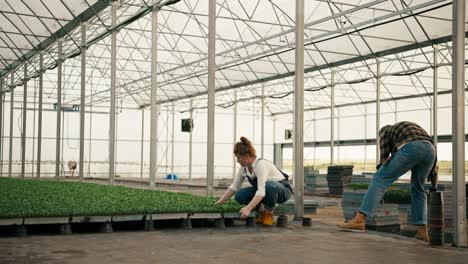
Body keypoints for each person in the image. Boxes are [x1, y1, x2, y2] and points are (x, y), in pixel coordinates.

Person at [337, 121, 437, 241]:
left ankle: (359, 220)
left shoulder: (385, 132)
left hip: (412, 147)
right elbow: (431, 164)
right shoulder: (407, 130)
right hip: (431, 150)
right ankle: (422, 232)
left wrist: (381, 172)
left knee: (379, 179)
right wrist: (434, 184)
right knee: (418, 189)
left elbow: (384, 157)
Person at [215, 136, 292, 226]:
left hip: (282, 191)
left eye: (239, 158)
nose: (237, 161)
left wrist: (248, 208)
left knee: (269, 186)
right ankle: (262, 213)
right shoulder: (244, 168)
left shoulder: (260, 165)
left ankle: (269, 213)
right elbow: (235, 186)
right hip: (264, 191)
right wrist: (220, 202)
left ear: (246, 156)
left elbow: (261, 192)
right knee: (240, 195)